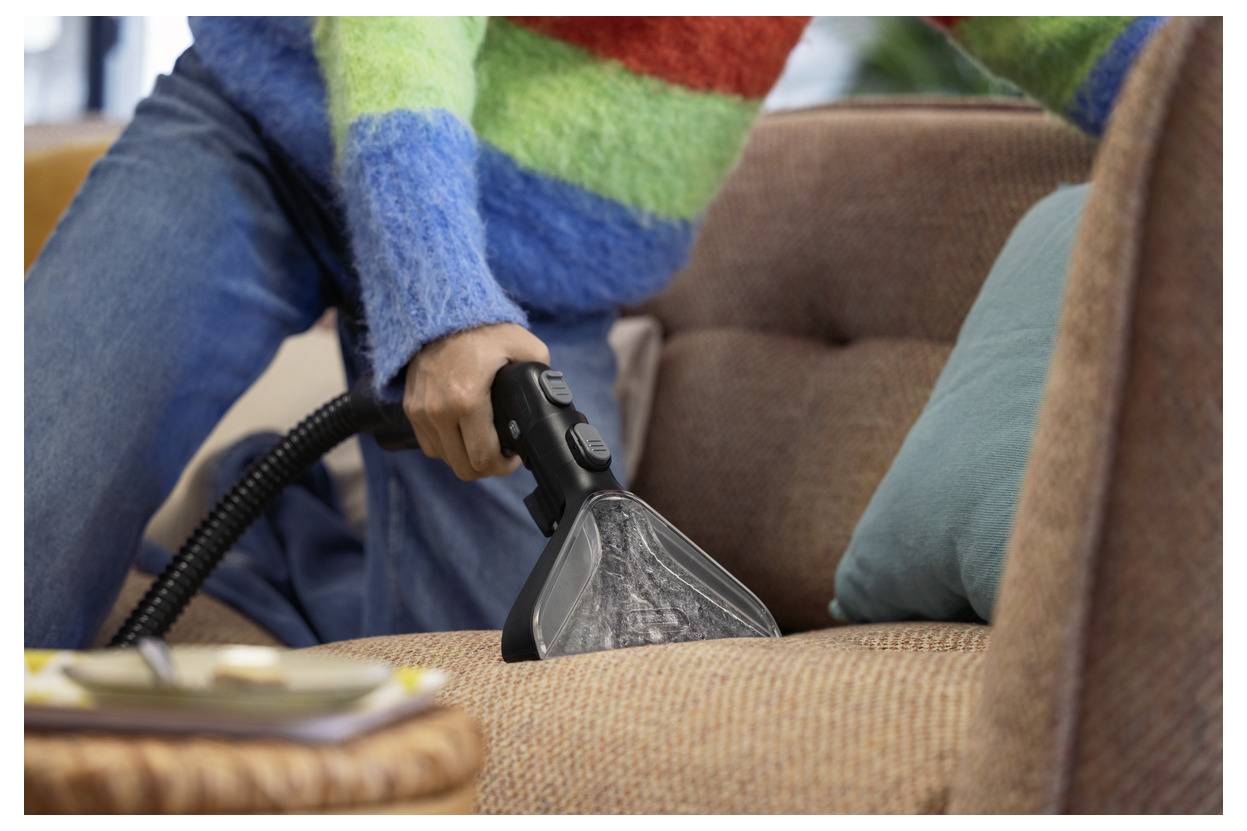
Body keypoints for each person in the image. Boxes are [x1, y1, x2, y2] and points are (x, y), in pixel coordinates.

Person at [25, 16, 1166, 648]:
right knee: (35, 507)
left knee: (508, 660)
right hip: (276, 128)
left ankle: (285, 522)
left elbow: (1073, 35)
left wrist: (1207, 112)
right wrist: (439, 305)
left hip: (534, 258)